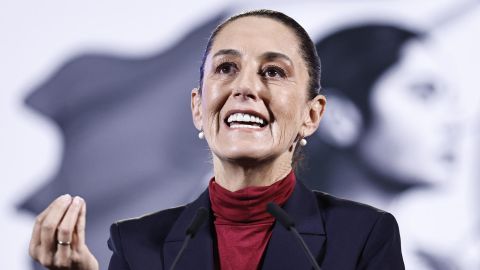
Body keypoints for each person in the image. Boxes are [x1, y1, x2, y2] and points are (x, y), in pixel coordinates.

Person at [29, 10, 405, 270]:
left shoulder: (364, 236)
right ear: (198, 108)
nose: (245, 87)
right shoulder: (138, 243)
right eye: (226, 68)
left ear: (312, 115)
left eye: (273, 71)